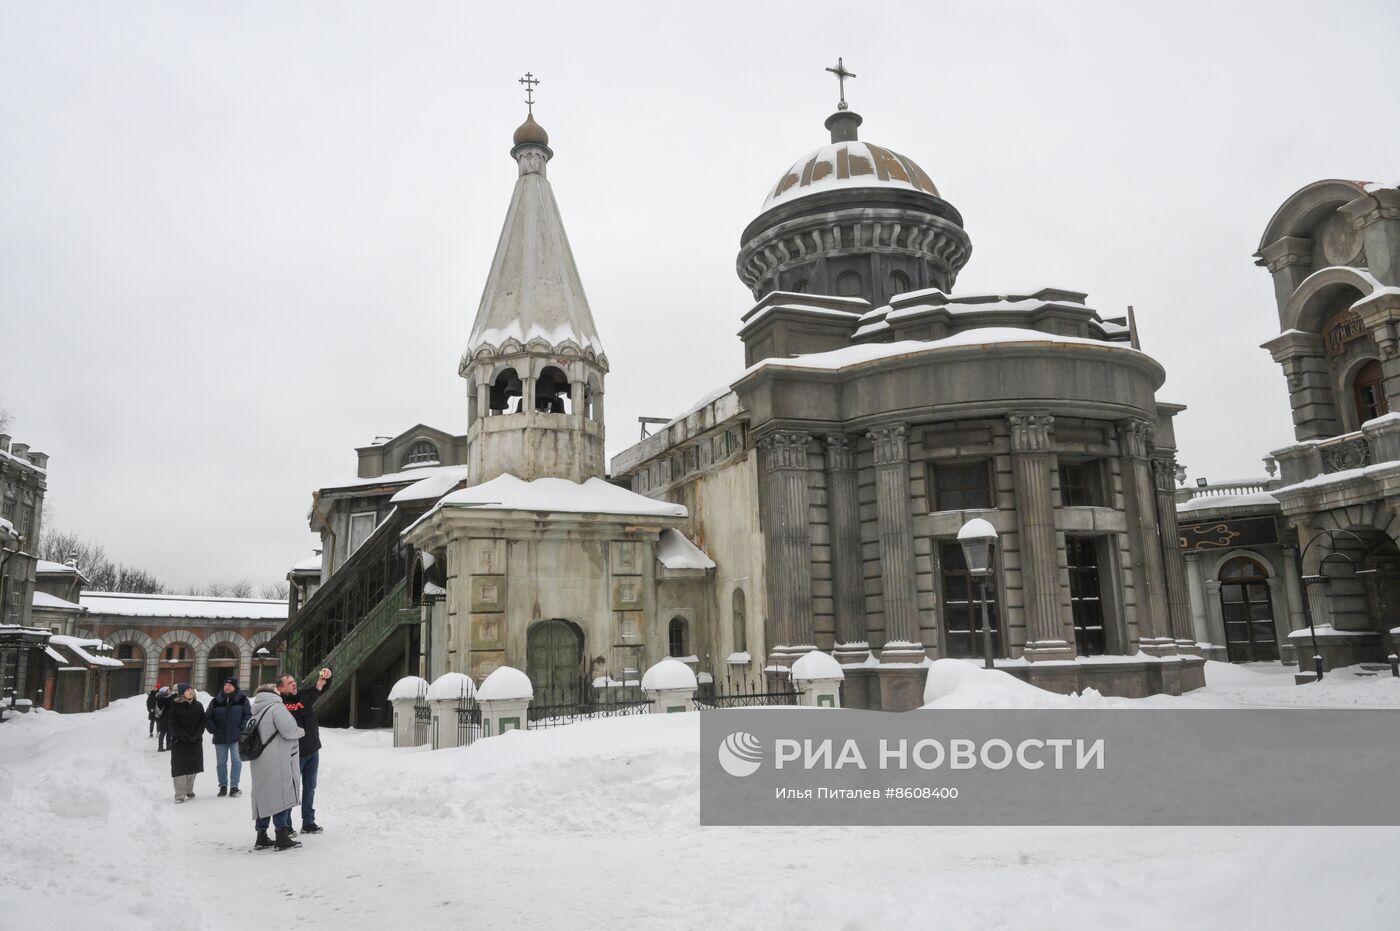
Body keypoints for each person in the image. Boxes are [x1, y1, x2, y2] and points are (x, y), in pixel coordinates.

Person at [249, 682, 304, 850]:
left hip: (259, 760)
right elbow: (289, 730)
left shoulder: (256, 711)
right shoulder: (277, 708)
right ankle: (282, 836)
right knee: (280, 794)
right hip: (277, 758)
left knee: (264, 795)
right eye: (276, 689)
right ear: (272, 692)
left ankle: (261, 836)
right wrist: (302, 731)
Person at [278, 668, 330, 835]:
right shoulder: (282, 704)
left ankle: (308, 822)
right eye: (289, 683)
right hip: (295, 753)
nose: (294, 684)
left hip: (313, 749)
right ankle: (287, 825)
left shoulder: (302, 694)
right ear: (281, 689)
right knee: (291, 790)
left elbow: (320, 689)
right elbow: (301, 707)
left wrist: (327, 678)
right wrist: (317, 689)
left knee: (310, 787)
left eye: (294, 681)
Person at [204, 677, 251, 798]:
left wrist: (242, 728)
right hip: (220, 737)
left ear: (235, 687)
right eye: (225, 685)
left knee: (236, 760)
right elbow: (207, 717)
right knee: (221, 763)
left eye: (230, 685)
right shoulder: (216, 701)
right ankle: (223, 786)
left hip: (236, 737)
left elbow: (248, 715)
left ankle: (234, 786)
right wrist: (213, 729)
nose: (227, 687)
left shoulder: (242, 699)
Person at [167, 684, 205, 803]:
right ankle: (179, 794)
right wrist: (186, 737)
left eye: (191, 690)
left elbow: (202, 722)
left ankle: (189, 790)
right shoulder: (174, 706)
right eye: (187, 690)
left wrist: (197, 735)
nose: (190, 692)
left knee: (192, 768)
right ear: (182, 693)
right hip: (180, 742)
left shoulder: (198, 706)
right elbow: (173, 726)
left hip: (195, 742)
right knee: (180, 769)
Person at [154, 685, 173, 752]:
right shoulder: (162, 698)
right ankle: (161, 747)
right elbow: (169, 704)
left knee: (168, 732)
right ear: (165, 691)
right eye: (168, 690)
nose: (170, 691)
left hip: (165, 718)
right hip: (164, 718)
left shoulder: (162, 698)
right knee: (164, 733)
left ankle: (168, 746)